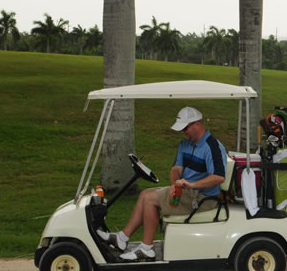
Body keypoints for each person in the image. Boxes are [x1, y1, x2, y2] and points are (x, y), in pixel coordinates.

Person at [97, 106, 228, 261]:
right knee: (145, 194)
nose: (182, 132)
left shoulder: (212, 147)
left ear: (197, 124)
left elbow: (219, 177)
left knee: (150, 199)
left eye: (185, 128)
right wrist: (174, 185)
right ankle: (122, 238)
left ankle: (146, 248)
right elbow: (176, 169)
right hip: (187, 192)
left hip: (203, 198)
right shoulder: (185, 144)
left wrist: (191, 185)